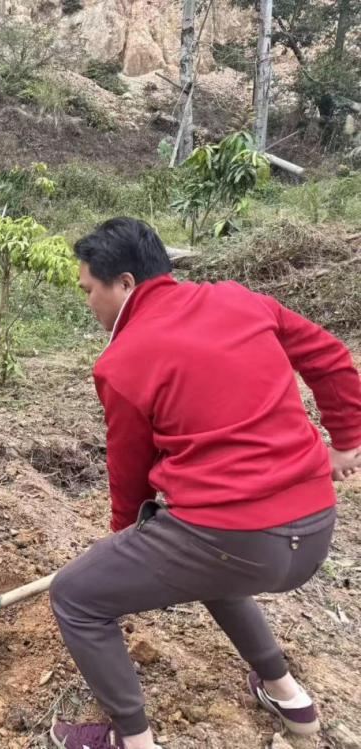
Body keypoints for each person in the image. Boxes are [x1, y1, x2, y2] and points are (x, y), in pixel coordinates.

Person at [47, 217, 361, 749]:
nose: (89, 304)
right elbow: (330, 356)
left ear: (124, 283)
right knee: (206, 563)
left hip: (232, 540)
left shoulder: (122, 361)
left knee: (75, 596)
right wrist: (347, 442)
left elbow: (129, 475)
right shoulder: (240, 300)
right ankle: (288, 696)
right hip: (314, 530)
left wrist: (126, 539)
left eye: (88, 290)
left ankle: (133, 741)